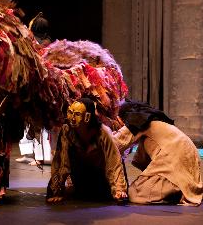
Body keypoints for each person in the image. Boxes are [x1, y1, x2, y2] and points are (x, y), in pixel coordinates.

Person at [112, 99, 203, 206]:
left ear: (122, 119)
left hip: (174, 160)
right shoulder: (155, 122)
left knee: (133, 193)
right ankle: (182, 188)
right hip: (187, 156)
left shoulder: (135, 121)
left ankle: (175, 192)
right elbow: (142, 157)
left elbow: (114, 144)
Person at [46, 98, 128, 203]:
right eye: (70, 113)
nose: (72, 118)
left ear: (87, 117)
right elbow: (61, 161)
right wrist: (56, 190)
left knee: (102, 195)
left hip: (101, 178)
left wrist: (119, 189)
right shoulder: (67, 130)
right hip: (81, 175)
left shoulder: (103, 132)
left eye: (77, 114)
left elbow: (114, 161)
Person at [16, 12, 55, 166]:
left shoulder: (45, 45)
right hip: (31, 87)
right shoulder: (34, 43)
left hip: (42, 87)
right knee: (28, 121)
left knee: (41, 122)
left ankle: (42, 157)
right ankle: (27, 153)